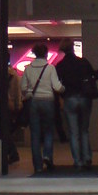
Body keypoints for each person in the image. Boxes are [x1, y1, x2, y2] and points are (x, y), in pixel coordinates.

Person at [55, 39, 98, 170]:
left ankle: (78, 161)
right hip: (85, 98)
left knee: (74, 132)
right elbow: (93, 76)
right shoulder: (83, 62)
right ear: (73, 48)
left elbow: (58, 83)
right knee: (84, 130)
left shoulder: (61, 65)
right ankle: (87, 158)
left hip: (70, 98)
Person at [20, 42, 63, 175]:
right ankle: (47, 156)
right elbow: (57, 87)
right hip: (48, 101)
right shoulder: (50, 68)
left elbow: (23, 88)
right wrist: (64, 88)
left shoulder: (28, 68)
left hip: (34, 102)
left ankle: (37, 166)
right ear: (45, 53)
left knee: (35, 134)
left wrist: (29, 93)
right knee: (49, 131)